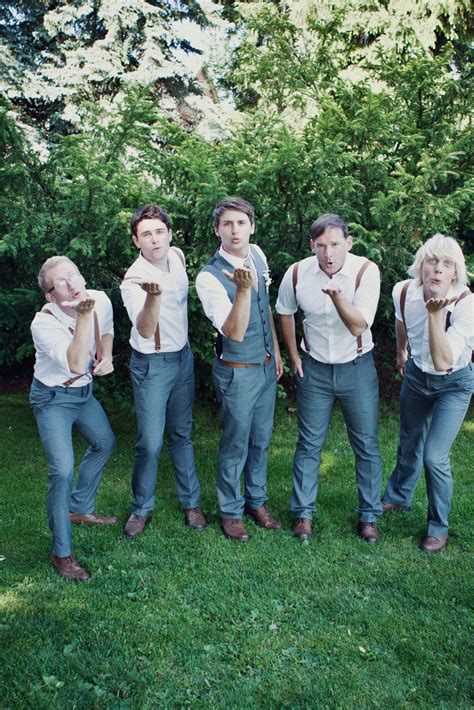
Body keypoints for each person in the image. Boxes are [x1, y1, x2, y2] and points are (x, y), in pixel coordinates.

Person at [277, 213, 383, 543]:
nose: (328, 253)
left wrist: (338, 296)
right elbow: (284, 311)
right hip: (316, 369)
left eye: (335, 244)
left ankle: (368, 517)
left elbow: (358, 325)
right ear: (312, 245)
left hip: (357, 366)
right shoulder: (297, 273)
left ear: (348, 243)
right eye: (321, 246)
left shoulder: (366, 271)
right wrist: (294, 356)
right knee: (309, 444)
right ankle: (303, 515)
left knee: (365, 444)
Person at [196, 196, 283, 541]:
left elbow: (267, 309)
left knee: (261, 440)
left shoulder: (257, 254)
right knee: (236, 443)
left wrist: (275, 352)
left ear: (252, 226)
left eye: (241, 223)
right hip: (236, 371)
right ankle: (231, 511)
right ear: (217, 230)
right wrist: (243, 290)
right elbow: (233, 331)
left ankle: (255, 501)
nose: (235, 230)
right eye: (227, 224)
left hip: (263, 367)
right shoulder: (209, 277)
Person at [382, 233, 473, 552]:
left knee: (434, 456)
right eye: (432, 260)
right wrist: (400, 351)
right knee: (409, 441)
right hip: (418, 377)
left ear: (455, 273)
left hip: (454, 382)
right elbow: (401, 322)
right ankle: (397, 497)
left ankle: (438, 527)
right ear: (421, 265)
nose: (437, 269)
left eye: (446, 264)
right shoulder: (403, 291)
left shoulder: (466, 303)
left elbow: (445, 359)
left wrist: (436, 316)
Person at [120, 204, 206, 538]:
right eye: (146, 234)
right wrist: (152, 298)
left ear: (170, 234)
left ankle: (192, 503)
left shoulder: (178, 257)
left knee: (182, 433)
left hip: (182, 359)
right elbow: (143, 329)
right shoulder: (133, 280)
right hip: (152, 365)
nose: (154, 240)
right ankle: (141, 507)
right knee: (150, 442)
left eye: (159, 232)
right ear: (136, 241)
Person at [30, 256, 117, 582]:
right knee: (62, 470)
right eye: (62, 282)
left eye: (75, 274)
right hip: (52, 399)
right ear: (51, 296)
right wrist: (82, 316)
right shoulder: (43, 323)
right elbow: (76, 362)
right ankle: (62, 553)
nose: (73, 283)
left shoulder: (100, 300)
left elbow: (105, 330)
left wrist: (107, 355)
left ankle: (79, 508)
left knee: (105, 443)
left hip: (83, 395)